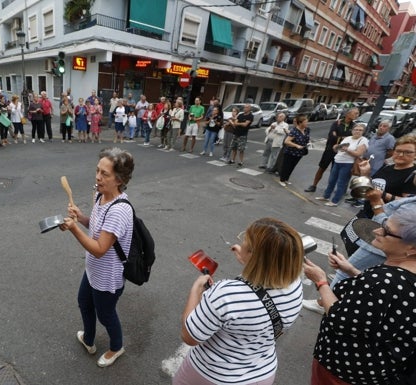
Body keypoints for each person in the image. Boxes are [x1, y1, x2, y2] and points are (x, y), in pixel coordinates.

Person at [173, 218, 304, 385]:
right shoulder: (295, 285)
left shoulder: (226, 295)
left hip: (214, 376)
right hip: (262, 373)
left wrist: (196, 289)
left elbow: (189, 336)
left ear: (255, 257)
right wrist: (247, 260)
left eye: (245, 243)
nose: (241, 244)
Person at [303, 204, 416, 385]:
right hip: (381, 371)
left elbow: (339, 319)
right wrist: (353, 271)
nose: (378, 231)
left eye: (387, 231)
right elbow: (385, 299)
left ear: (411, 249)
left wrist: (321, 282)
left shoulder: (382, 280)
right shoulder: (398, 277)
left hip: (346, 371)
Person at [59, 147, 135, 368]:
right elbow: (97, 227)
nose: (98, 177)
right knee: (84, 302)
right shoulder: (100, 195)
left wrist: (73, 229)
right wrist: (81, 217)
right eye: (97, 170)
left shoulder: (120, 211)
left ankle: (116, 347)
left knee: (106, 314)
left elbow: (101, 248)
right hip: (93, 271)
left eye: (105, 174)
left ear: (119, 179)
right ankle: (89, 339)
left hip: (108, 277)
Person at [304, 108, 359, 192]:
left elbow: (352, 139)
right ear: (348, 114)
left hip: (342, 153)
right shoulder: (337, 123)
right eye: (355, 113)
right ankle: (314, 185)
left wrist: (340, 137)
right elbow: (332, 136)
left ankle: (330, 188)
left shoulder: (354, 126)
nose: (357, 115)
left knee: (335, 171)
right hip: (330, 150)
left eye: (357, 114)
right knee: (322, 167)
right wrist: (343, 138)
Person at [315, 123, 368, 206]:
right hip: (338, 160)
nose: (357, 131)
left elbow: (358, 153)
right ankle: (326, 196)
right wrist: (336, 147)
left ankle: (335, 201)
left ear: (363, 131)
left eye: (360, 130)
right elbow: (338, 150)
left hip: (348, 163)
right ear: (352, 130)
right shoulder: (348, 138)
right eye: (356, 129)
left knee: (341, 183)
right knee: (331, 180)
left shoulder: (363, 140)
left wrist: (347, 150)